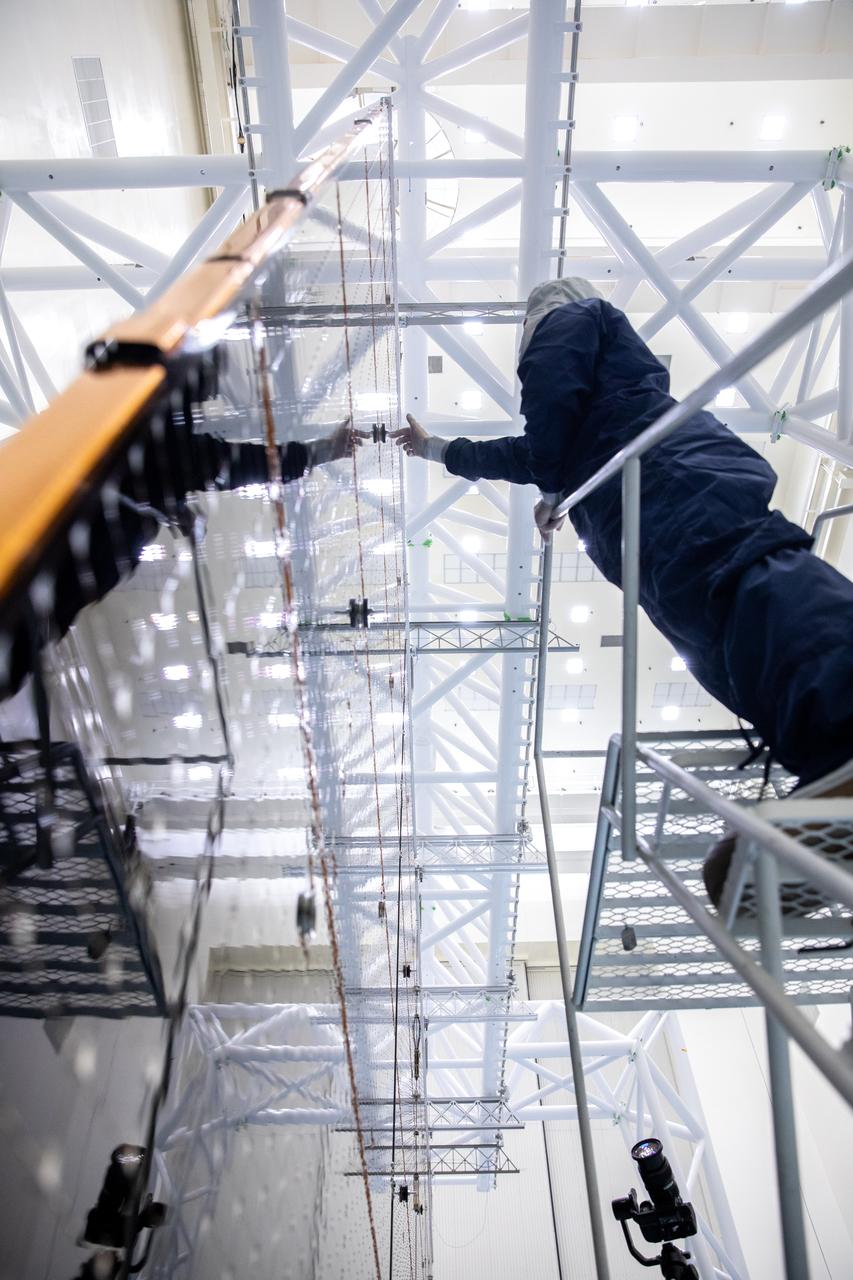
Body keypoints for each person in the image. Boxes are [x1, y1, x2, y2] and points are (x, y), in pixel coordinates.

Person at [392, 278, 853, 910]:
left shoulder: (568, 317)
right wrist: (446, 451)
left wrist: (549, 488)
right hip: (650, 500)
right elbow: (538, 451)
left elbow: (547, 425)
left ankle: (842, 728)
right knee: (720, 630)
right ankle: (828, 765)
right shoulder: (592, 407)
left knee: (744, 580)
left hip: (668, 481)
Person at [2, 419, 361, 700]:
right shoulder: (149, 450)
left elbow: (229, 465)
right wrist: (319, 452)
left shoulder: (125, 442)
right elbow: (237, 465)